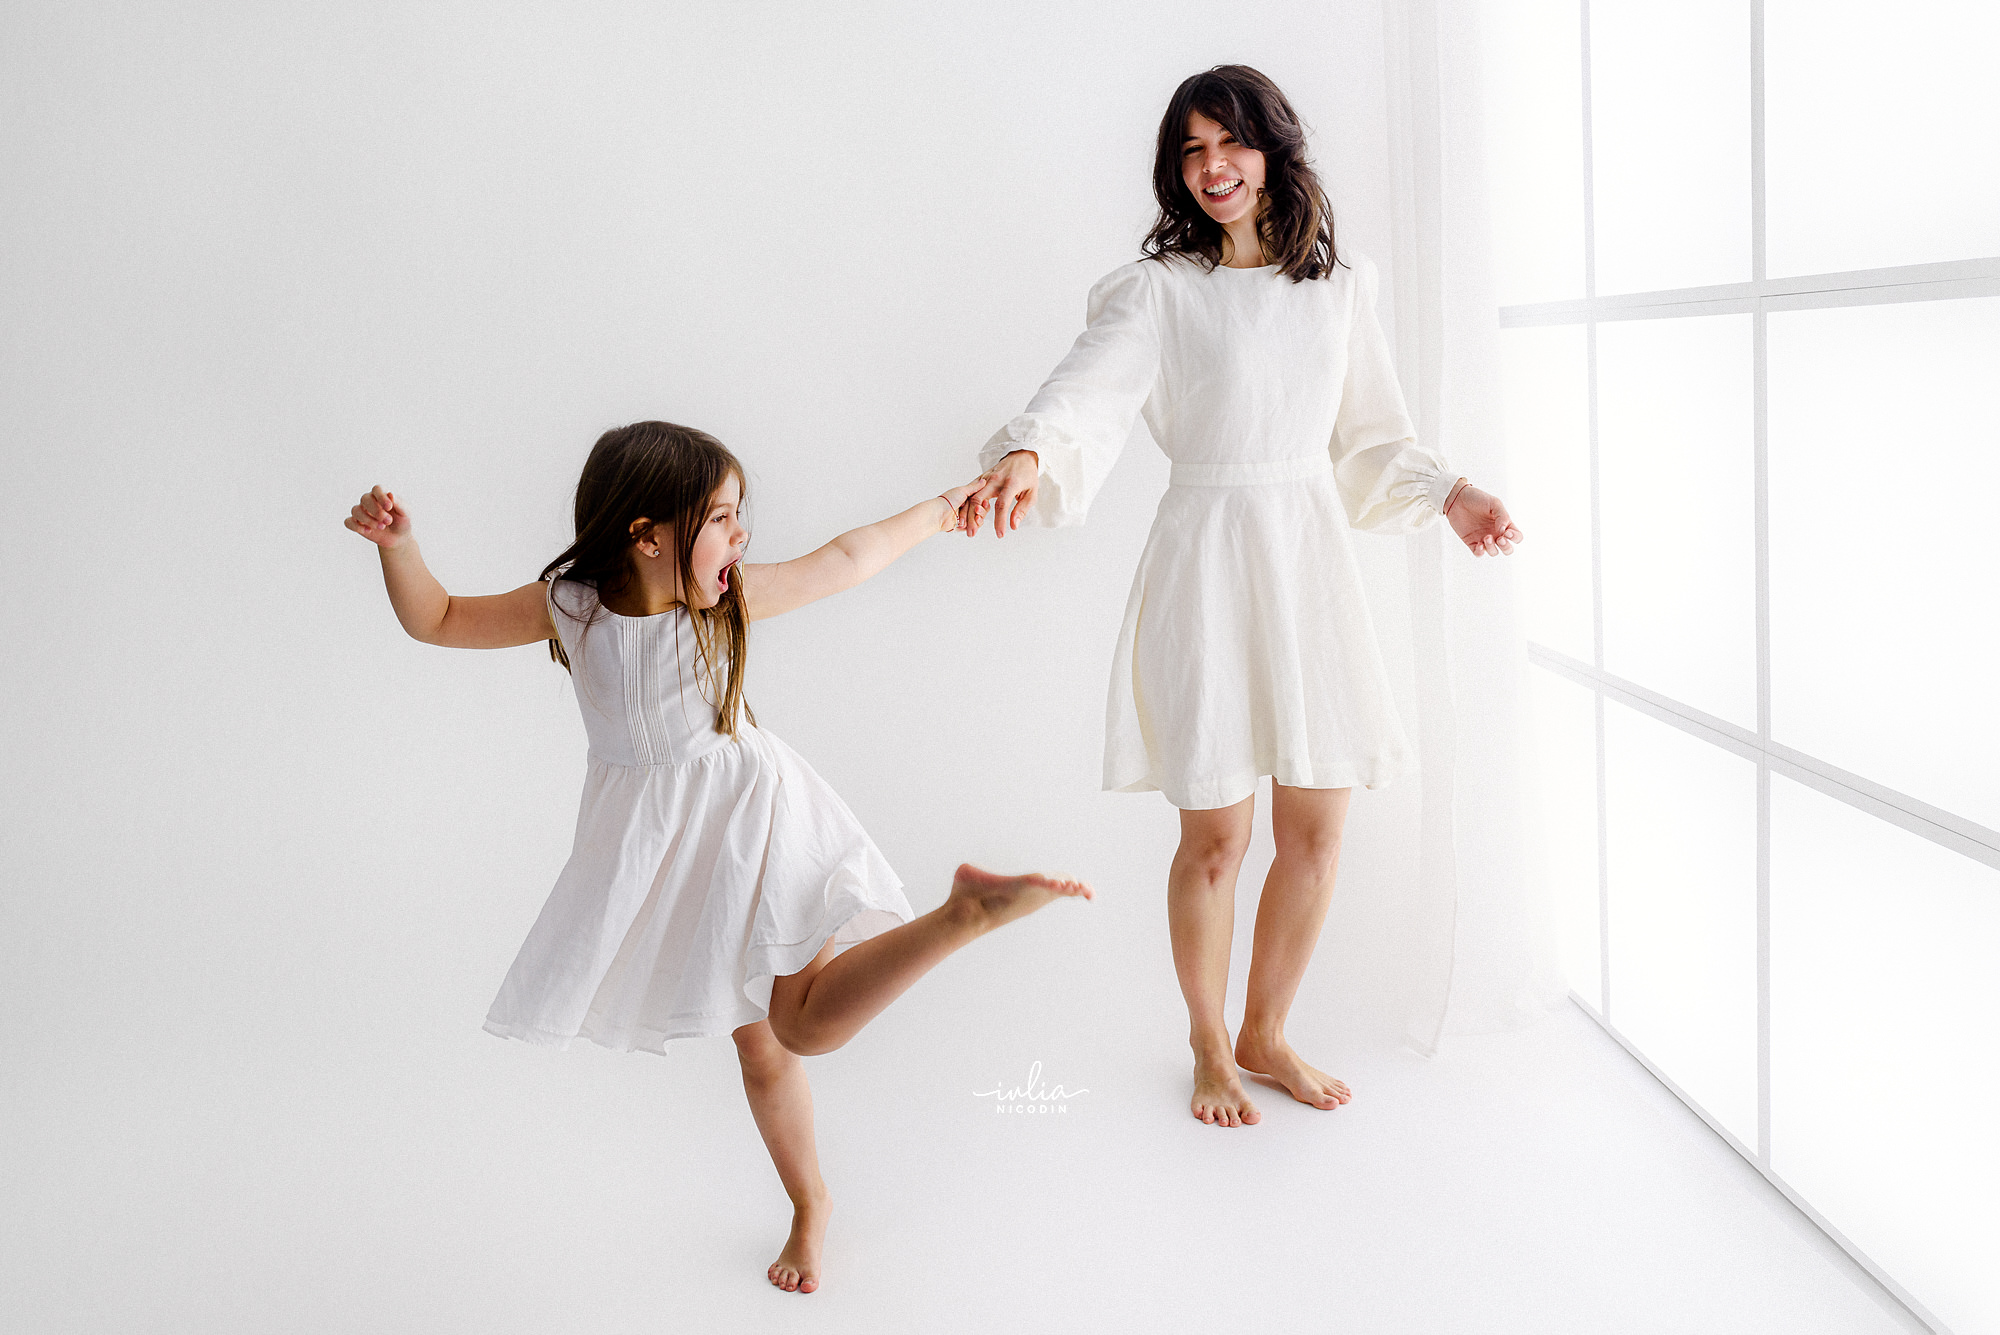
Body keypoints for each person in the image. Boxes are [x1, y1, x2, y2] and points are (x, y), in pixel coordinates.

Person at [343, 420, 1091, 1293]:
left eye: (740, 515)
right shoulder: (571, 606)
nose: (742, 534)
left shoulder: (722, 605)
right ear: (648, 535)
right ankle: (811, 1201)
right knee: (764, 1050)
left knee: (798, 1026)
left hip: (755, 825)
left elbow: (846, 558)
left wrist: (939, 510)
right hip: (670, 852)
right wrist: (399, 546)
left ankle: (960, 916)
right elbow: (436, 618)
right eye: (723, 518)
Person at [961, 66, 1522, 1129]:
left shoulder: (1337, 288)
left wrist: (1451, 494)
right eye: (1190, 150)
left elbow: (1373, 437)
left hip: (1306, 563)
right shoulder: (1158, 292)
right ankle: (1208, 1044)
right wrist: (1031, 452)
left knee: (1316, 829)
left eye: (1229, 143)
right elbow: (1083, 394)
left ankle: (1266, 1031)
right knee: (1215, 837)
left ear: (1272, 150)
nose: (1211, 167)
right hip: (1207, 562)